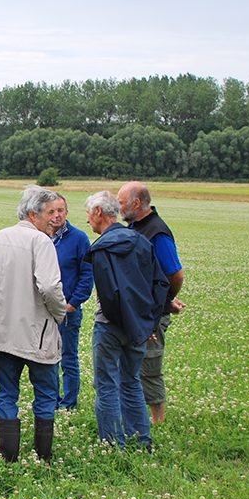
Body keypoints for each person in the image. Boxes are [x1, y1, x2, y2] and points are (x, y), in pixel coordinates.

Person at [0, 186, 68, 462]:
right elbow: (48, 287)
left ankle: (8, 457)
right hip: (37, 334)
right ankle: (43, 456)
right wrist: (60, 314)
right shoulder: (41, 241)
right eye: (49, 213)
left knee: (7, 394)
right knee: (46, 394)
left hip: (2, 335)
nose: (55, 219)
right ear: (33, 213)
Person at [84, 191, 169, 450]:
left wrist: (123, 320)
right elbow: (160, 283)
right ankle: (141, 440)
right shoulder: (141, 241)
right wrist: (147, 323)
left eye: (89, 214)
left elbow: (109, 296)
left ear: (99, 212)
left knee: (107, 385)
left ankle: (112, 444)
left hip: (110, 326)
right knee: (131, 381)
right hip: (139, 328)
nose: (88, 221)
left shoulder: (100, 248)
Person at [118, 181, 186, 425]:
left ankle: (158, 421)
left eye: (122, 202)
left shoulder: (157, 232)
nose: (119, 207)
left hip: (150, 312)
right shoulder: (137, 227)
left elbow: (175, 274)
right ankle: (132, 414)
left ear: (136, 203)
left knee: (150, 364)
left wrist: (165, 301)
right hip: (135, 308)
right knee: (128, 364)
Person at [48, 192, 94, 412]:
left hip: (68, 310)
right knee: (47, 358)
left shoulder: (79, 238)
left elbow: (87, 274)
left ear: (67, 212)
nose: (56, 215)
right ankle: (51, 399)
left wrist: (73, 304)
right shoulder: (40, 236)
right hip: (44, 310)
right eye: (52, 211)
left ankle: (69, 403)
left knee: (68, 357)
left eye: (60, 210)